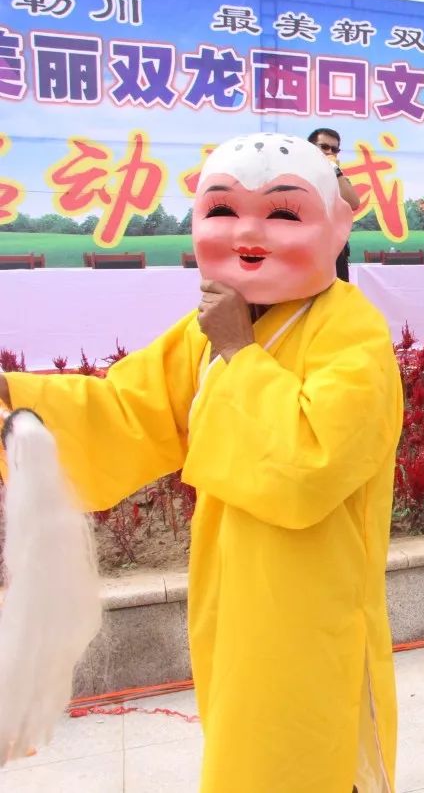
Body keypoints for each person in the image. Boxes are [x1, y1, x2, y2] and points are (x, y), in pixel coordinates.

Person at [0, 134, 403, 792]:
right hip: (230, 603)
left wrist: (242, 354)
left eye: (282, 213)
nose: (249, 231)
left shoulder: (351, 332)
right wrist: (19, 395)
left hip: (309, 611)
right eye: (222, 210)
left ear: (335, 228)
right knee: (243, 749)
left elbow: (311, 464)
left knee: (303, 756)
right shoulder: (213, 327)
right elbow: (127, 410)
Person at [307, 128, 360, 282]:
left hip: (335, 252)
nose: (329, 152)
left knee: (336, 302)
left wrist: (335, 171)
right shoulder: (296, 174)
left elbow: (353, 202)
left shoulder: (338, 177)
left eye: (334, 149)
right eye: (324, 147)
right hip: (305, 250)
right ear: (310, 147)